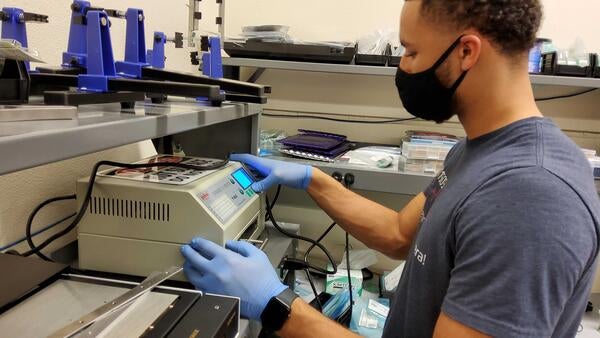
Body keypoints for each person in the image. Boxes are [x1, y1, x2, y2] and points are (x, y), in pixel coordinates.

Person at [180, 0, 600, 337]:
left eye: (412, 51)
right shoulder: (478, 151)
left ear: (467, 52)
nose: (404, 66)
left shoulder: (530, 195)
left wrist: (277, 305)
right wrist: (313, 179)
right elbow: (400, 234)